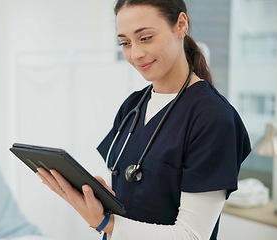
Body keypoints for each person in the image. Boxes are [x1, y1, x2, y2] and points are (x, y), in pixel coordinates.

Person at [36, 0, 251, 239]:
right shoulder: (132, 106)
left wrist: (105, 222)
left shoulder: (213, 118)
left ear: (181, 25)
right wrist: (96, 202)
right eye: (125, 43)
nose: (136, 53)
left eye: (146, 37)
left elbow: (192, 235)